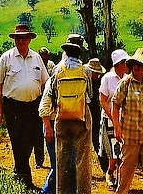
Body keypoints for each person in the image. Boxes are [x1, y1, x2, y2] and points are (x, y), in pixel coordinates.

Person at [0, 24, 49, 192]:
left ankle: (19, 172)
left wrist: (47, 103)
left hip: (34, 105)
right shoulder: (6, 58)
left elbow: (45, 82)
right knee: (18, 142)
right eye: (18, 38)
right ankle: (26, 181)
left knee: (32, 140)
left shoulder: (37, 58)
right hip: (14, 107)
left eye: (24, 38)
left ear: (29, 39)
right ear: (15, 40)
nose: (21, 41)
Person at [40, 34, 93, 194]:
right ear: (80, 52)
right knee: (82, 162)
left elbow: (51, 93)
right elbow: (89, 97)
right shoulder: (85, 71)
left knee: (62, 162)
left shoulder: (57, 70)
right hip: (81, 119)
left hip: (62, 119)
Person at [112, 48, 143, 194]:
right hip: (130, 134)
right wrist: (117, 128)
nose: (137, 67)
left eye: (140, 65)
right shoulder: (125, 83)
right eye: (135, 64)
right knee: (127, 170)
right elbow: (115, 106)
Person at [99, 49, 130, 190]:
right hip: (109, 118)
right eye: (125, 62)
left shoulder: (127, 79)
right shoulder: (108, 78)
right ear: (119, 64)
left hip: (123, 118)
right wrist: (112, 116)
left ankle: (119, 177)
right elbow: (103, 99)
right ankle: (110, 172)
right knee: (113, 149)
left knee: (122, 149)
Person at [85, 57, 107, 173]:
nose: (97, 75)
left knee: (98, 141)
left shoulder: (98, 81)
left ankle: (105, 167)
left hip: (96, 114)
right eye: (96, 73)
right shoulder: (84, 80)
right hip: (85, 113)